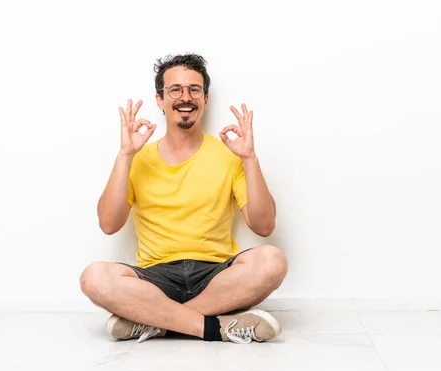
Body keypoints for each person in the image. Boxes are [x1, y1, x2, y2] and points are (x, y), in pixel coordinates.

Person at [79, 53, 288, 344]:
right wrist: (125, 155)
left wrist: (250, 158)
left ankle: (154, 322)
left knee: (272, 260)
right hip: (155, 278)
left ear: (205, 99)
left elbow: (264, 226)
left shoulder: (230, 155)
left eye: (194, 89)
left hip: (215, 276)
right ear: (160, 100)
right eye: (174, 90)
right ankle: (216, 328)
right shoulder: (137, 158)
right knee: (93, 277)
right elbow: (108, 223)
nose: (184, 97)